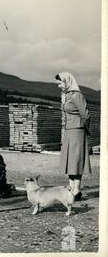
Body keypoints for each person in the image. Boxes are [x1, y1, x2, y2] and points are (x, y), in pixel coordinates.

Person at [55, 72, 91, 201]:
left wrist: (81, 127)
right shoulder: (65, 95)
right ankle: (71, 189)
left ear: (67, 82)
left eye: (60, 83)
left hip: (77, 130)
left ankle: (76, 189)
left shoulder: (77, 96)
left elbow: (85, 115)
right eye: (58, 83)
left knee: (76, 160)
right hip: (69, 131)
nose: (59, 86)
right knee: (70, 160)